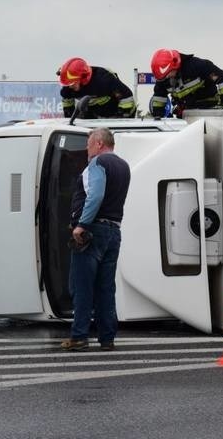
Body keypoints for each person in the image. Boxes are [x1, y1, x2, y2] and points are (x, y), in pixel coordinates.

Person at [62, 128, 131, 352]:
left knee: (81, 286)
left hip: (93, 232)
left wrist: (81, 225)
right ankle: (107, 338)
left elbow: (96, 195)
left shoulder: (98, 163)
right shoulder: (123, 165)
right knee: (105, 288)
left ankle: (79, 336)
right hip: (113, 231)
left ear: (100, 143)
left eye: (89, 143)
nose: (86, 148)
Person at [149, 48, 223, 118]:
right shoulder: (163, 78)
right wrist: (158, 115)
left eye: (168, 74)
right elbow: (158, 97)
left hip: (209, 112)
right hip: (185, 114)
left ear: (175, 64)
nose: (167, 77)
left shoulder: (198, 66)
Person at [57, 57, 136, 119]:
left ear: (84, 78)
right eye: (68, 84)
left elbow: (127, 98)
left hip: (117, 112)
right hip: (94, 115)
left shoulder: (104, 80)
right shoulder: (67, 89)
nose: (70, 86)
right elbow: (68, 106)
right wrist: (71, 120)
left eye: (73, 83)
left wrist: (120, 120)